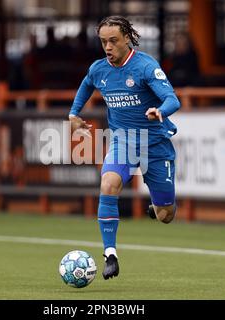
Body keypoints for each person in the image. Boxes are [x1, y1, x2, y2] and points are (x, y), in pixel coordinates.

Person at [68, 16, 180, 280]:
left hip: (155, 145)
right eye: (104, 41)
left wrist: (159, 111)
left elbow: (172, 99)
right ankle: (110, 254)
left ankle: (158, 207)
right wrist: (74, 113)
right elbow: (86, 84)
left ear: (127, 39)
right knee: (108, 184)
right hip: (123, 141)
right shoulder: (99, 69)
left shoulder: (145, 66)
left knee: (166, 215)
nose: (108, 47)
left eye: (113, 41)